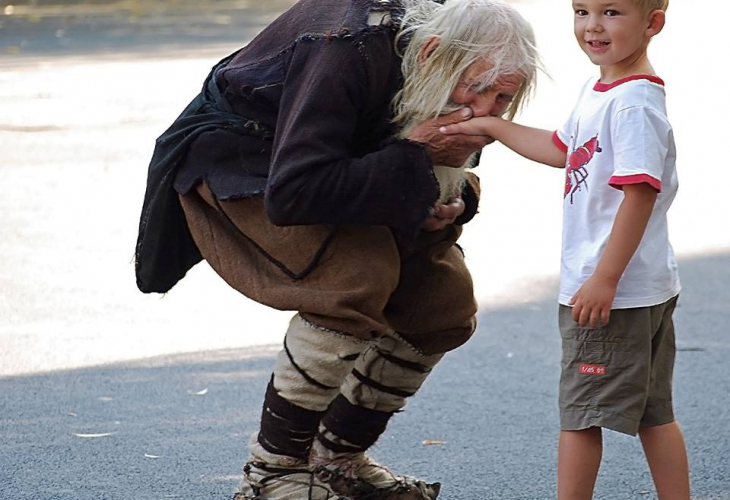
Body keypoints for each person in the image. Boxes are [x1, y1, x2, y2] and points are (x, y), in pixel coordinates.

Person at [134, 0, 539, 498]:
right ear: (433, 53)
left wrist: (456, 198)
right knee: (354, 278)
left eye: (502, 99)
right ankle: (272, 473)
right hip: (248, 164)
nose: (483, 113)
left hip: (344, 168)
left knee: (443, 304)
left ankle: (337, 462)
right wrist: (414, 164)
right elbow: (297, 191)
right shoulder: (343, 48)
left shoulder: (446, 60)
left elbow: (442, 157)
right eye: (477, 89)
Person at [441, 0, 689, 499]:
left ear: (653, 23)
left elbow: (640, 194)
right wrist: (493, 128)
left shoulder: (632, 104)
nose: (593, 25)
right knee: (652, 413)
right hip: (640, 287)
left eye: (612, 12)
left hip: (612, 294)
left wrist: (604, 278)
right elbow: (562, 149)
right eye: (581, 11)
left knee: (580, 416)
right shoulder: (604, 89)